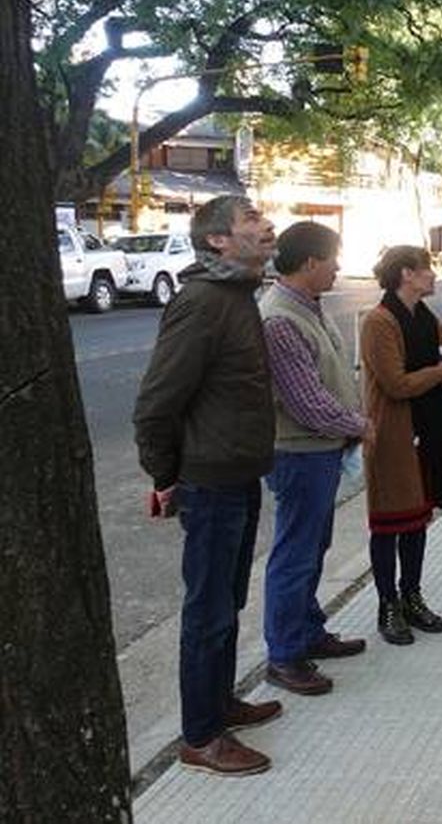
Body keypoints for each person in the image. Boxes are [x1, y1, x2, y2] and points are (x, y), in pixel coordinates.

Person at [134, 196, 280, 776]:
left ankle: (220, 704)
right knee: (208, 611)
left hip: (240, 476)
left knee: (229, 601)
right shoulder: (202, 302)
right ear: (218, 240)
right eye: (251, 220)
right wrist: (166, 476)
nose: (267, 226)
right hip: (210, 483)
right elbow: (156, 403)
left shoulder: (238, 294)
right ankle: (200, 736)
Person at [259, 222, 370, 696]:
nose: (338, 267)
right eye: (333, 258)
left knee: (312, 548)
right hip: (299, 453)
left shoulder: (309, 307)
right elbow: (307, 403)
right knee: (295, 554)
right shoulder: (281, 319)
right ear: (309, 262)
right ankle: (284, 655)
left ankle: (307, 632)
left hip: (321, 452)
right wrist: (360, 425)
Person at [360, 245, 442, 644]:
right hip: (392, 434)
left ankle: (412, 595)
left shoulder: (425, 317)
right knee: (390, 520)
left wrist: (434, 370)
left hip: (429, 430)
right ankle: (387, 603)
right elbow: (396, 384)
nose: (433, 275)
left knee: (417, 519)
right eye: (427, 269)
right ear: (407, 273)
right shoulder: (379, 321)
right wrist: (440, 370)